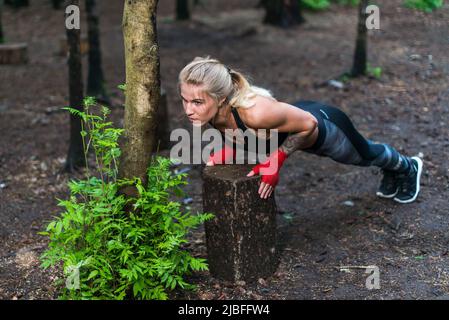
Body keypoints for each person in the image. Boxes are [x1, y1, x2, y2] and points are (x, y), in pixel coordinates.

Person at [178, 56, 423, 203]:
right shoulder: (211, 112)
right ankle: (395, 171)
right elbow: (254, 139)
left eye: (197, 102)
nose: (188, 109)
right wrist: (232, 152)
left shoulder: (256, 112)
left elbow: (309, 125)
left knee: (365, 156)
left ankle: (408, 166)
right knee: (366, 157)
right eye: (185, 100)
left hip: (324, 127)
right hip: (294, 124)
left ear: (221, 98)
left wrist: (276, 161)